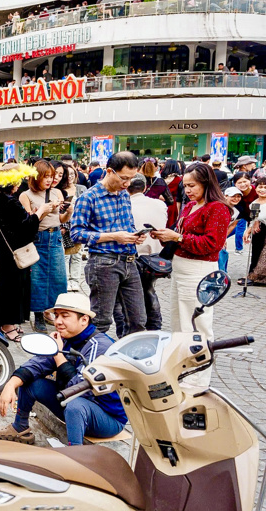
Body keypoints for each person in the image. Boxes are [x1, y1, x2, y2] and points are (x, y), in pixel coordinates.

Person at [0, 293, 126, 446]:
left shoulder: (99, 346)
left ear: (84, 320)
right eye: (56, 315)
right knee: (30, 382)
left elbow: (79, 390)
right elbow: (37, 364)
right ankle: (19, 427)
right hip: (71, 404)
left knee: (75, 405)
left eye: (65, 316)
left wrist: (58, 354)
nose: (58, 322)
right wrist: (11, 385)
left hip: (107, 418)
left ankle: (75, 456)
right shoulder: (65, 337)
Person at [150, 163, 229, 386]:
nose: (188, 190)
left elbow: (212, 244)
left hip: (199, 271)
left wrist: (178, 238)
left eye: (192, 185)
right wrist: (166, 236)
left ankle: (198, 380)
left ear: (206, 183)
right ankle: (183, 373)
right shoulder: (190, 206)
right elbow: (181, 235)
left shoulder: (217, 208)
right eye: (185, 186)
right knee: (179, 324)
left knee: (197, 325)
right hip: (181, 268)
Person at [70, 151, 147, 335]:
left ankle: (128, 359)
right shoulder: (89, 198)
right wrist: (114, 236)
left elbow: (127, 226)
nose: (127, 183)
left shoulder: (124, 195)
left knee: (138, 320)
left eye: (131, 178)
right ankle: (92, 358)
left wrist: (135, 235)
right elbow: (76, 233)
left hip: (129, 261)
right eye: (124, 178)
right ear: (110, 171)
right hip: (103, 263)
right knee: (101, 320)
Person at [0, 163, 55, 342]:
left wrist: (31, 216)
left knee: (10, 287)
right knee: (11, 288)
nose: (20, 184)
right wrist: (40, 212)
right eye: (18, 180)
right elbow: (26, 228)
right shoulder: (9, 201)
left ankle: (9, 322)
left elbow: (15, 224)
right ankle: (7, 325)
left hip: (6, 250)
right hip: (13, 252)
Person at [19, 160, 68, 333]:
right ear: (36, 177)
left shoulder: (57, 192)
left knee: (59, 278)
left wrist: (68, 212)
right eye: (45, 176)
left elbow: (60, 219)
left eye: (51, 176)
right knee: (37, 279)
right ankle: (38, 315)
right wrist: (44, 210)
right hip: (38, 238)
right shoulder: (26, 195)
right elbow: (27, 222)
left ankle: (55, 312)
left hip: (55, 238)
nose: (49, 180)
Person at [115, 174, 167, 334]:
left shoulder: (123, 205)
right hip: (155, 258)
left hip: (133, 257)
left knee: (123, 298)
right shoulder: (159, 204)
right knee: (149, 290)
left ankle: (127, 332)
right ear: (144, 187)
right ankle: (154, 327)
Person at [242, 176, 266, 285]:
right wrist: (247, 231)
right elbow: (253, 219)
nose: (262, 190)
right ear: (255, 189)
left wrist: (257, 221)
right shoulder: (254, 203)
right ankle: (252, 275)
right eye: (260, 187)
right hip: (259, 231)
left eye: (265, 187)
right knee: (256, 253)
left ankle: (256, 276)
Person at [218, 186, 244, 272]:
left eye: (238, 196)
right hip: (213, 232)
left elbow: (233, 225)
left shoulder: (239, 209)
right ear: (225, 196)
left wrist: (224, 237)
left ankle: (223, 272)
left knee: (223, 252)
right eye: (233, 196)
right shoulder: (218, 206)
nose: (236, 199)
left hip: (223, 232)